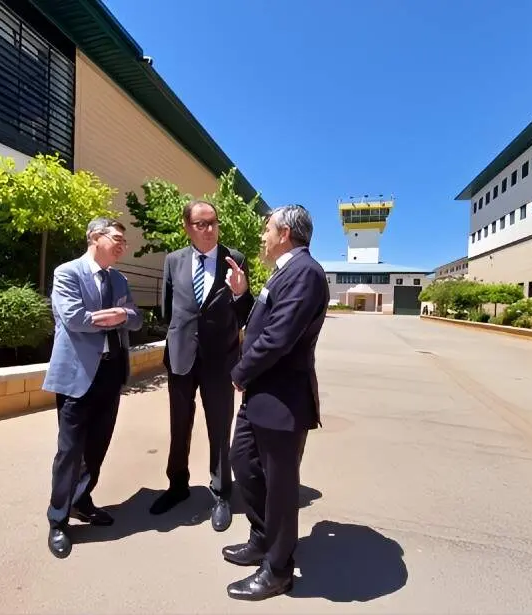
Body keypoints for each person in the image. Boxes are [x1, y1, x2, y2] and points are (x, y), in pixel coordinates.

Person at [223, 204, 329, 601]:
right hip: (262, 394)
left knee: (281, 486)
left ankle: (279, 569)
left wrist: (239, 372)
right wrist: (241, 295)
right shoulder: (285, 272)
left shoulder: (305, 273)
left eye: (267, 229)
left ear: (285, 232)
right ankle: (263, 539)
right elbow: (262, 321)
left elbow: (278, 338)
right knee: (244, 462)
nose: (262, 236)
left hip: (283, 399)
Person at [43, 217, 144, 559]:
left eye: (124, 241)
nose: (122, 245)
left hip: (110, 374)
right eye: (117, 238)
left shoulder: (119, 278)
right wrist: (117, 315)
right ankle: (58, 521)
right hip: (77, 376)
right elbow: (73, 318)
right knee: (70, 452)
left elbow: (136, 317)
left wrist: (116, 315)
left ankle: (82, 501)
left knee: (97, 448)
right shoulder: (67, 273)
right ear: (95, 238)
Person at [150, 199, 253, 532]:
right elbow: (167, 309)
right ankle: (177, 485)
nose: (209, 229)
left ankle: (222, 492)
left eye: (213, 223)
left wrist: (241, 294)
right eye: (201, 224)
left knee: (220, 428)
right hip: (181, 357)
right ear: (187, 227)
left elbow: (244, 314)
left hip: (220, 360)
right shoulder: (173, 261)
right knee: (179, 425)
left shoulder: (234, 259)